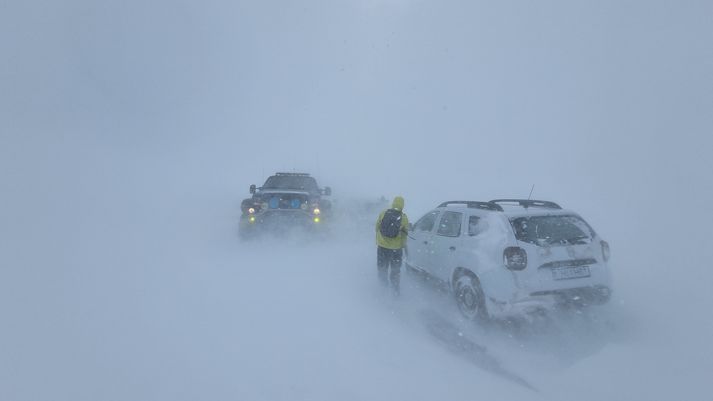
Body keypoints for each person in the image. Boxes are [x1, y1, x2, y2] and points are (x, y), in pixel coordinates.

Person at [375, 196, 409, 295]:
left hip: (382, 247)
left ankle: (382, 290)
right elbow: (404, 236)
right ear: (402, 205)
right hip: (396, 250)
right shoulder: (404, 218)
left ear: (393, 203)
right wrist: (402, 246)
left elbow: (376, 227)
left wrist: (380, 240)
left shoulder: (383, 213)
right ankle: (395, 292)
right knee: (395, 271)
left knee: (382, 268)